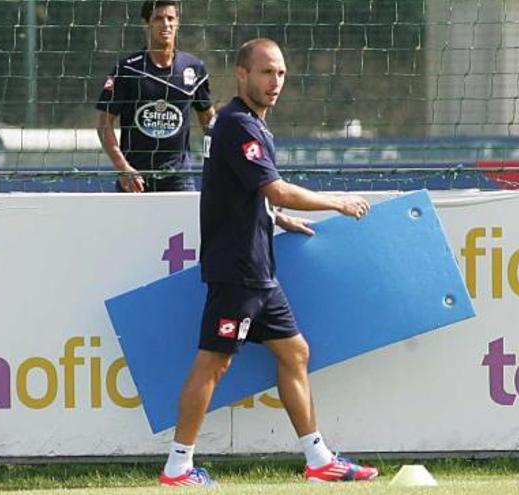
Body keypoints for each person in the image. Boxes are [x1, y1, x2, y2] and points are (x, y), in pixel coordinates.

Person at [159, 38, 378, 487]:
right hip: (238, 273)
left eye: (280, 73)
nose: (274, 81)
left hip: (259, 271)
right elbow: (273, 187)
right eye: (265, 72)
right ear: (242, 75)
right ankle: (178, 467)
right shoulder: (238, 124)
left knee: (295, 352)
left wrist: (280, 218)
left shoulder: (253, 126)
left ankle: (318, 460)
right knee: (213, 364)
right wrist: (334, 202)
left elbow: (244, 193)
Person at [96, 0, 215, 192]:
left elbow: (208, 120)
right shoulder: (127, 70)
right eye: (159, 18)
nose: (166, 24)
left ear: (178, 22)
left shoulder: (194, 68)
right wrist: (123, 167)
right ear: (146, 23)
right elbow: (104, 123)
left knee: (186, 222)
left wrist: (220, 158)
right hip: (135, 180)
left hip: (179, 180)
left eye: (170, 18)